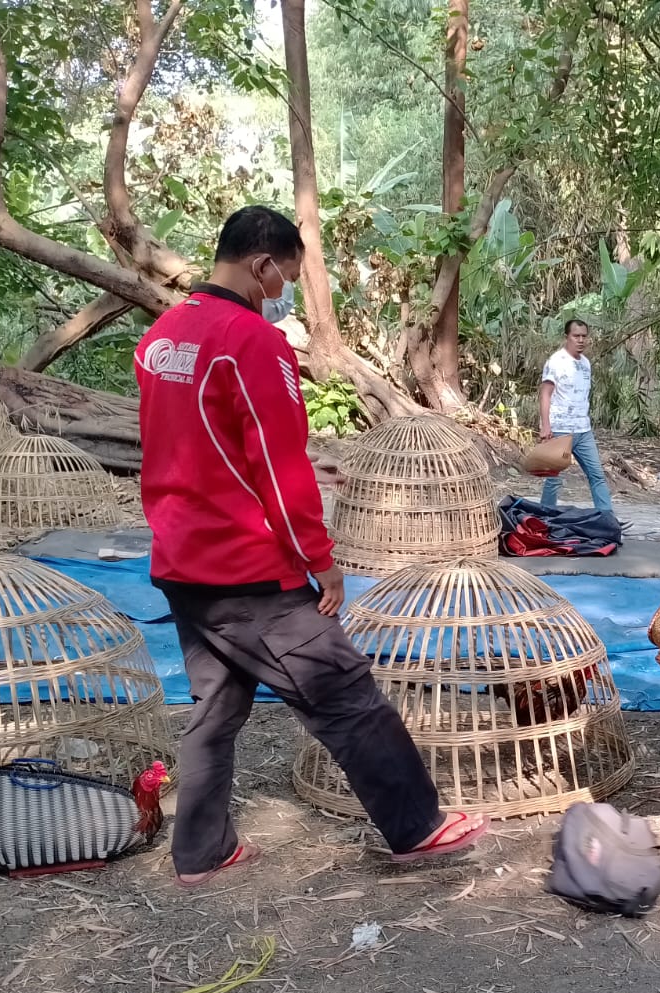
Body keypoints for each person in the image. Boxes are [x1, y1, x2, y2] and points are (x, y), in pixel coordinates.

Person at [134, 205, 485, 887]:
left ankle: (200, 852)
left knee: (214, 707)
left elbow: (196, 445)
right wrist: (320, 561)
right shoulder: (252, 341)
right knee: (345, 691)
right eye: (287, 276)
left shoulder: (163, 336)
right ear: (263, 265)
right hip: (247, 570)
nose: (285, 291)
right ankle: (418, 828)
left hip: (182, 562)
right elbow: (278, 466)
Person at [537, 319, 613, 513]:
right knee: (554, 479)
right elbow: (545, 393)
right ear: (567, 337)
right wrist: (546, 426)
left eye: (583, 336)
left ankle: (606, 519)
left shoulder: (586, 363)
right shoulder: (556, 362)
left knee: (596, 474)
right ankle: (545, 520)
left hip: (583, 430)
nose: (580, 340)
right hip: (561, 429)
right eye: (576, 336)